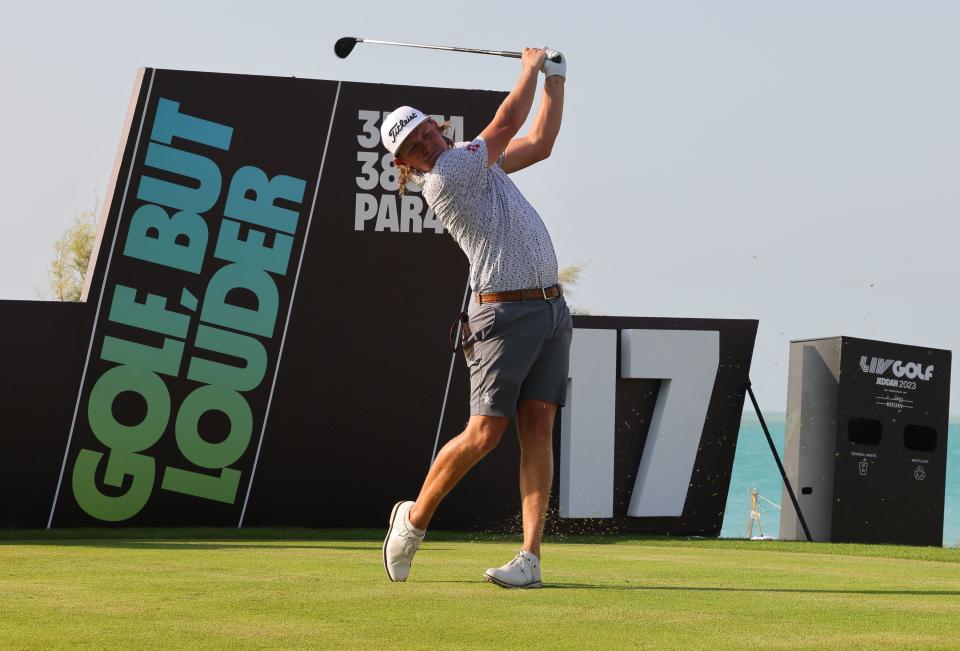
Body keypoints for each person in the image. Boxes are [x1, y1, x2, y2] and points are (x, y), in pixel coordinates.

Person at [381, 47, 569, 589]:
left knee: (539, 429)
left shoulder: (472, 160)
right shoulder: (448, 175)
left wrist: (556, 79)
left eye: (424, 133)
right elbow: (510, 120)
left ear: (436, 128)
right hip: (503, 315)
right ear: (407, 166)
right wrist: (531, 66)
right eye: (413, 148)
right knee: (485, 433)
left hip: (551, 309)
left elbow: (540, 143)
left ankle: (530, 558)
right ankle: (413, 522)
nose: (424, 145)